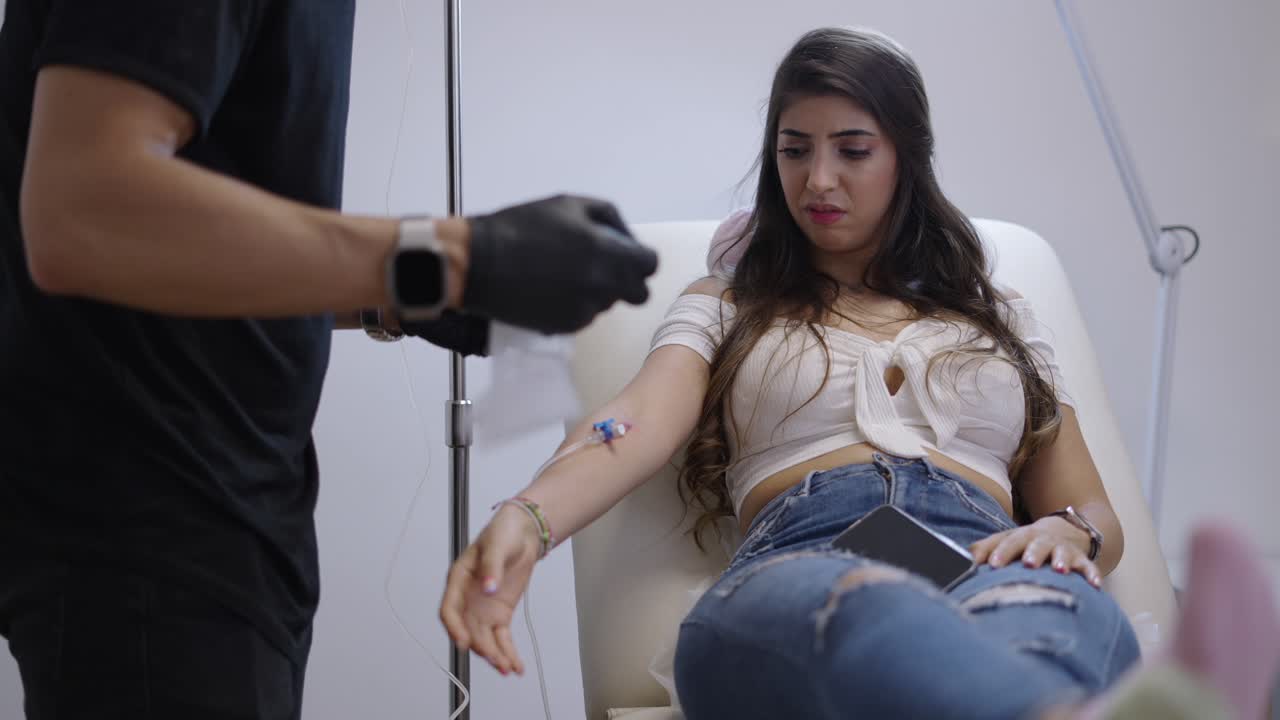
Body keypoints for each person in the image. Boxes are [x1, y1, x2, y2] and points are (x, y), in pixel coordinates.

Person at [439, 27, 1280, 720]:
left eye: (852, 149)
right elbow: (632, 424)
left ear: (905, 159)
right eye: (794, 150)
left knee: (1047, 616)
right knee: (861, 601)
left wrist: (1076, 535)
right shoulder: (729, 299)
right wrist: (528, 517)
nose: (818, 179)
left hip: (988, 557)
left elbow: (1088, 501)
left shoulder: (998, 312)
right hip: (799, 561)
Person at [0, 2, 657, 718]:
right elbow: (83, 213)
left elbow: (190, 251)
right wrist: (458, 260)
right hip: (143, 530)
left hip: (236, 526)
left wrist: (407, 300)